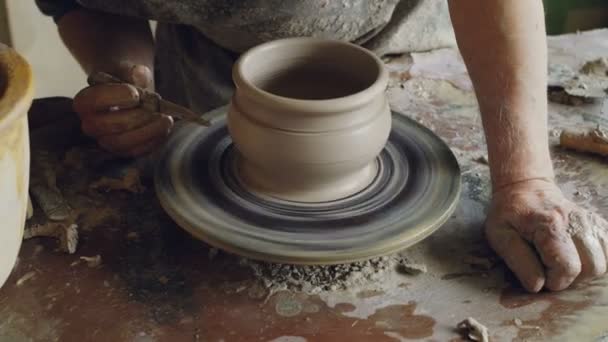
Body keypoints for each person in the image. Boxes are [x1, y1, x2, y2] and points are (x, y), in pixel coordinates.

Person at [35, 0, 608, 293]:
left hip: (417, 59)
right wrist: (123, 75)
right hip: (214, 79)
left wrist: (524, 178)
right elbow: (90, 5)